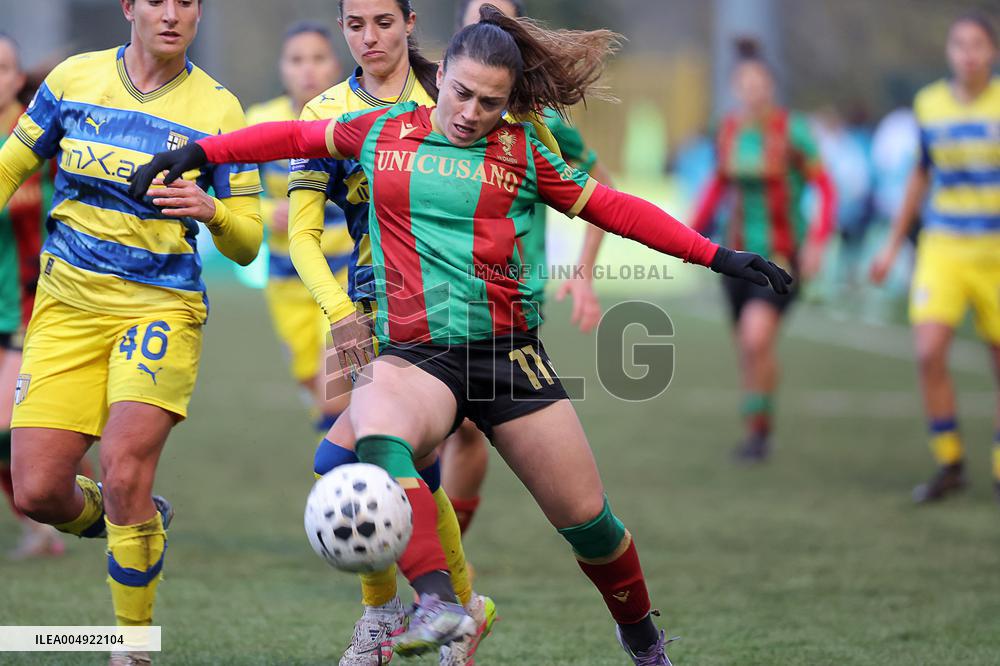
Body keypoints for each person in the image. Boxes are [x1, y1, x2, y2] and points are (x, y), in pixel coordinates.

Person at [130, 6, 790, 664]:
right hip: (415, 356)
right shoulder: (379, 129)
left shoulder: (526, 150)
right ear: (440, 75)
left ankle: (643, 639)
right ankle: (439, 603)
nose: (472, 111)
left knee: (591, 526)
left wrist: (720, 257)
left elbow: (616, 208)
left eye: (491, 102)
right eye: (463, 93)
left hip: (508, 358)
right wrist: (197, 153)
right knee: (375, 434)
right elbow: (283, 139)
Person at [0, 1, 263, 664]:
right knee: (37, 492)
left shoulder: (221, 110)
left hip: (160, 310)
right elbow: (10, 166)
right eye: (157, 0)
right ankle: (142, 520)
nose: (172, 14)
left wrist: (212, 210)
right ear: (129, 7)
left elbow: (250, 243)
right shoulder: (71, 80)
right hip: (65, 307)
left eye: (188, 2)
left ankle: (132, 647)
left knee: (121, 473)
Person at [442, 0, 615, 539]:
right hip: (418, 292)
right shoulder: (430, 103)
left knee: (466, 428)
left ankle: (448, 565)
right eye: (478, 16)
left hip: (507, 298)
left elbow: (599, 190)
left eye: (499, 20)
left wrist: (583, 273)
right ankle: (423, 567)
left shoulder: (537, 119)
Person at [870, 13, 1000, 505]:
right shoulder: (930, 104)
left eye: (978, 44)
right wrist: (889, 246)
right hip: (944, 247)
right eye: (960, 44)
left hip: (996, 251)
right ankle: (950, 462)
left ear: (991, 52)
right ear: (949, 52)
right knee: (928, 351)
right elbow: (921, 176)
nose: (968, 53)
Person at [691, 37, 835, 462]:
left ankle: (759, 433)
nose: (753, 89)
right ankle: (758, 426)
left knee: (756, 339)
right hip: (736, 259)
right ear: (737, 87)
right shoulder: (731, 130)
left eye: (760, 82)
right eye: (745, 83)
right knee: (748, 348)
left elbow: (825, 187)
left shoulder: (793, 131)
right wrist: (689, 234)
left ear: (771, 85)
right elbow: (717, 186)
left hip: (781, 257)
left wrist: (817, 243)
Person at [246, 22, 352, 434]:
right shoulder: (260, 120)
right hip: (286, 279)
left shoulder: (350, 120)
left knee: (338, 379)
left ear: (335, 66)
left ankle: (351, 473)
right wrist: (265, 206)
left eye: (318, 58)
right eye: (296, 60)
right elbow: (232, 190)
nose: (308, 70)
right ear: (282, 69)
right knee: (311, 378)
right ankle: (353, 454)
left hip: (345, 275)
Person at [0, 32, 65, 560]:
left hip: (28, 300)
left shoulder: (37, 135)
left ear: (19, 78)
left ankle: (61, 500)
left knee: (6, 424)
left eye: (4, 69)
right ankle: (39, 518)